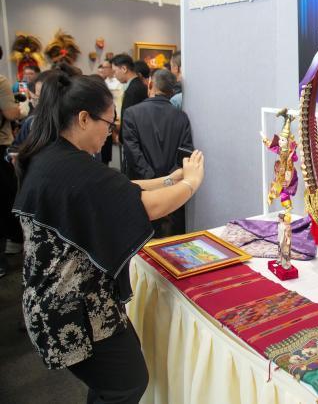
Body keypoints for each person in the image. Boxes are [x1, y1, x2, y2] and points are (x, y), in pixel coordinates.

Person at [12, 72, 204, 403]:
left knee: (115, 382)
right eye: (108, 123)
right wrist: (192, 182)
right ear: (83, 119)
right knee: (127, 383)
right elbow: (147, 206)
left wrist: (170, 180)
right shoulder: (73, 168)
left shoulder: (52, 156)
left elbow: (118, 190)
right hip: (72, 310)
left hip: (54, 301)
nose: (110, 133)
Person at [121, 69, 193, 237]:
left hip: (142, 189)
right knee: (171, 240)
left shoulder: (132, 113)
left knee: (142, 238)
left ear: (150, 85)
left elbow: (133, 153)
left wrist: (153, 181)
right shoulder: (181, 117)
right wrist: (169, 181)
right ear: (171, 91)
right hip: (174, 190)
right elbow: (185, 152)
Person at [0, 72, 22, 277]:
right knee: (6, 198)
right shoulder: (1, 81)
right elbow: (11, 113)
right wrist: (18, 109)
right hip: (1, 145)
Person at [111, 54, 148, 171]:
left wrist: (122, 138)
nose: (114, 75)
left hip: (134, 143)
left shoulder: (134, 89)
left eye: (115, 71)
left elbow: (129, 119)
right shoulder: (137, 85)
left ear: (124, 68)